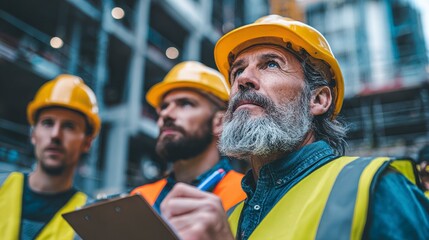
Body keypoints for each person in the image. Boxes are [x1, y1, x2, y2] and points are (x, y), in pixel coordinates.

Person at [159, 15, 429, 239]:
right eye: (237, 71)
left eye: (271, 64)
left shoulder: (376, 188)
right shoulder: (228, 219)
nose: (243, 79)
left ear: (318, 99)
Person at [131, 61, 246, 213]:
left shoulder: (245, 196)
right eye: (164, 106)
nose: (166, 114)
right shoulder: (141, 198)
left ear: (220, 122)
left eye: (185, 104)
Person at [0, 74, 100, 239]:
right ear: (33, 134)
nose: (55, 135)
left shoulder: (90, 220)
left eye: (69, 126)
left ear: (87, 142)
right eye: (48, 123)